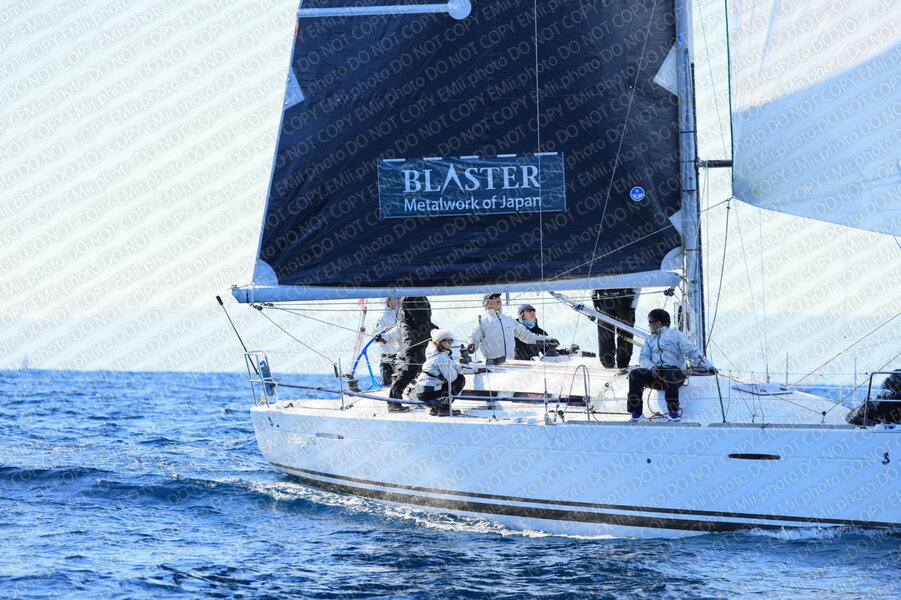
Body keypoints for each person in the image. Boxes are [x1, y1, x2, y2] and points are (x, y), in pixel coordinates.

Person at [627, 308, 713, 422]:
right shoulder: (650, 339)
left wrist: (709, 366)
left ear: (658, 323)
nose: (649, 326)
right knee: (635, 374)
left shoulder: (676, 335)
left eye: (650, 323)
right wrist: (651, 367)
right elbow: (643, 357)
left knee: (670, 372)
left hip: (674, 375)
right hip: (656, 375)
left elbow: (692, 351)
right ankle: (636, 412)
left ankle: (673, 412)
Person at [467, 293, 554, 365]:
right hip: (492, 366)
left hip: (510, 364)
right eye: (493, 297)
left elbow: (526, 335)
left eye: (498, 296)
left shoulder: (509, 319)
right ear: (486, 303)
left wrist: (546, 339)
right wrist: (472, 345)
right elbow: (474, 338)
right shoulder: (482, 321)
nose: (498, 298)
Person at [389, 296, 437, 409]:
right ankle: (393, 402)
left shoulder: (416, 295)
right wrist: (437, 331)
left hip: (418, 341)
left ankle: (418, 397)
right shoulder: (414, 296)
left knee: (418, 371)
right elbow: (421, 321)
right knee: (409, 371)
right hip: (416, 342)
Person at [412, 329, 467, 416]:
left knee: (445, 381)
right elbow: (452, 377)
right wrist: (457, 371)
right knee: (460, 379)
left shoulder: (435, 355)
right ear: (440, 342)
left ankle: (435, 409)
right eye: (448, 341)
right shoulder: (441, 357)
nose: (450, 344)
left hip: (421, 394)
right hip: (429, 395)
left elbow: (455, 366)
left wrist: (473, 369)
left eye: (451, 341)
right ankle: (444, 409)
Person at [592, 288, 639, 368]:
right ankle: (610, 362)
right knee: (607, 331)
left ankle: (619, 362)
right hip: (612, 298)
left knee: (623, 331)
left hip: (623, 298)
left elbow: (637, 284)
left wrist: (594, 296)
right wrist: (594, 296)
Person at [373, 296, 403, 386]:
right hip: (388, 357)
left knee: (404, 386)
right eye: (396, 298)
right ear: (388, 300)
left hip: (403, 356)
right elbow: (374, 339)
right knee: (387, 386)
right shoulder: (381, 317)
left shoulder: (404, 314)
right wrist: (382, 333)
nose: (399, 300)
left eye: (399, 298)